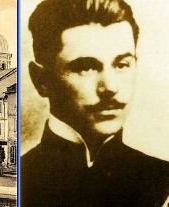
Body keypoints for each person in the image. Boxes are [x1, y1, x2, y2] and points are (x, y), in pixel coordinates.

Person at [22, 0, 169, 206]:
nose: (110, 87)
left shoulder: (162, 180)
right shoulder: (23, 181)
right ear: (41, 80)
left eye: (122, 64)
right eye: (86, 67)